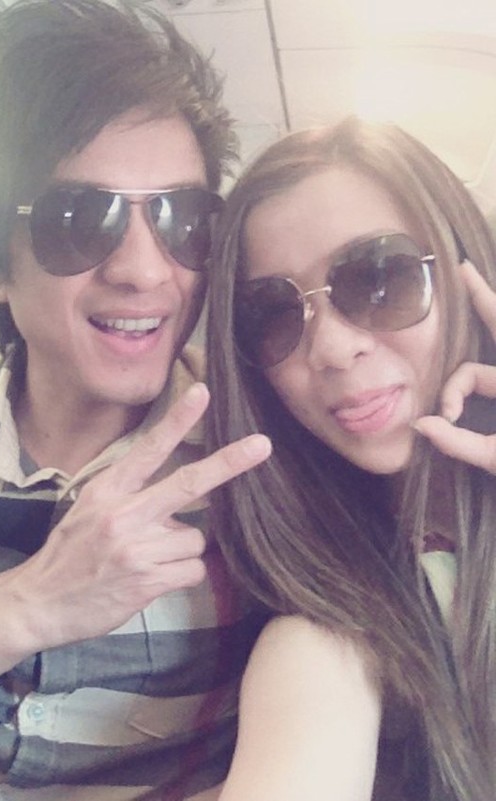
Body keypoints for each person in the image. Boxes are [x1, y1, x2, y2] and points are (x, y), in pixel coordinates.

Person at [0, 2, 272, 799]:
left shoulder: (261, 461)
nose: (145, 270)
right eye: (79, 219)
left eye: (181, 218)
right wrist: (30, 603)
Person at [205, 116, 496, 800]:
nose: (333, 349)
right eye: (274, 314)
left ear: (465, 272)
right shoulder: (319, 641)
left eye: (379, 278)